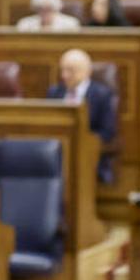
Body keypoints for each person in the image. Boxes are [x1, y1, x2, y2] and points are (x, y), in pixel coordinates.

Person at [47, 49, 118, 183]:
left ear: (86, 71)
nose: (64, 75)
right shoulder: (54, 92)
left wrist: (83, 144)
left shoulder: (102, 95)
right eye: (63, 70)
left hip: (88, 156)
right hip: (56, 153)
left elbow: (108, 132)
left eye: (70, 70)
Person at [17, 0, 82, 32]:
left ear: (56, 8)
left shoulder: (71, 25)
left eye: (49, 9)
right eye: (41, 9)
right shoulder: (25, 25)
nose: (45, 13)